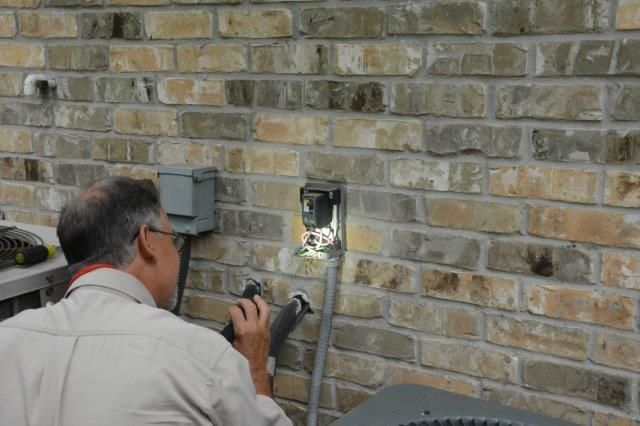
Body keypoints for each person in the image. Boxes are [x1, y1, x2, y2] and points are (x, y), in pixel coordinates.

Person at [0, 177, 292, 426]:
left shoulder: (7, 339)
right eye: (172, 239)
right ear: (146, 241)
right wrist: (254, 368)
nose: (176, 254)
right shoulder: (200, 357)